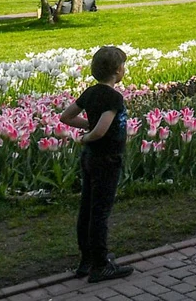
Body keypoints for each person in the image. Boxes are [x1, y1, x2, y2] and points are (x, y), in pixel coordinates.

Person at [59, 46, 132, 282]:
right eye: (123, 66)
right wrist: (88, 135)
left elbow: (66, 117)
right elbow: (101, 130)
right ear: (118, 71)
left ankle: (86, 260)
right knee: (100, 212)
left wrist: (87, 127)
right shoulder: (113, 98)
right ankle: (101, 265)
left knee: (87, 208)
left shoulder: (90, 93)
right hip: (107, 159)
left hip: (91, 159)